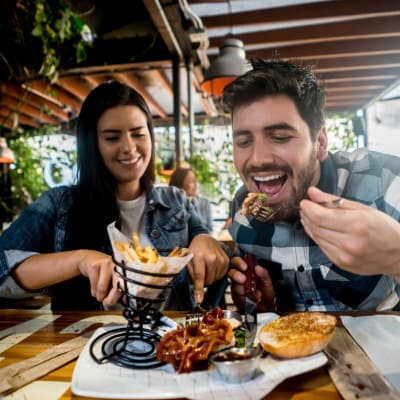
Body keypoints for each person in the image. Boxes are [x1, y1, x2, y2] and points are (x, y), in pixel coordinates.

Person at [0, 80, 229, 311]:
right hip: (86, 344)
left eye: (138, 134)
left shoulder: (175, 201)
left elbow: (205, 242)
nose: (129, 147)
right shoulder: (60, 204)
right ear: (92, 144)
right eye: (112, 137)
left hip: (174, 343)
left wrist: (205, 240)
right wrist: (79, 260)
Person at [222, 58, 400, 313]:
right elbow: (261, 315)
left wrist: (395, 254)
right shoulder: (243, 214)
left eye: (280, 137)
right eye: (243, 141)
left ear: (320, 142)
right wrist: (264, 307)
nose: (258, 158)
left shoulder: (384, 182)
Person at [169, 167, 213, 233]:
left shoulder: (205, 203)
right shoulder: (170, 205)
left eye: (195, 180)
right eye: (191, 181)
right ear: (179, 183)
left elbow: (210, 230)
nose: (196, 184)